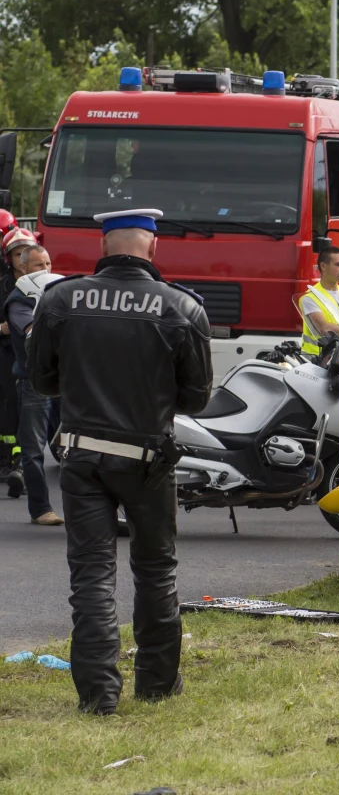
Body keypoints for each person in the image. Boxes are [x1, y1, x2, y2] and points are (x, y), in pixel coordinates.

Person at [28, 208, 212, 716]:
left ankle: (98, 696)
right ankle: (156, 684)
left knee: (91, 575)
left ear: (104, 245)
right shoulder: (182, 306)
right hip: (148, 460)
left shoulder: (61, 298)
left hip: (82, 455)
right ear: (152, 247)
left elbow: (42, 381)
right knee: (155, 570)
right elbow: (196, 399)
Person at [5, 244, 64, 526]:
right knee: (33, 449)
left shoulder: (56, 295)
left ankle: (88, 508)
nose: (46, 271)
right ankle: (40, 509)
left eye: (49, 264)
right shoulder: (18, 300)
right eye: (39, 266)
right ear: (24, 268)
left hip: (64, 382)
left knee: (76, 445)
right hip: (34, 383)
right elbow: (33, 333)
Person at [0, 228, 37, 495]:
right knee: (9, 405)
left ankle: (21, 462)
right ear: (9, 258)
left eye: (27, 253)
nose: (22, 258)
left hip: (37, 356)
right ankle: (13, 461)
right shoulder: (3, 287)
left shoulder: (47, 285)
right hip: (6, 353)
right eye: (17, 254)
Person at [299, 247, 339, 355]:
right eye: (338, 265)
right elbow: (325, 328)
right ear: (323, 266)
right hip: (317, 359)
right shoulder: (309, 298)